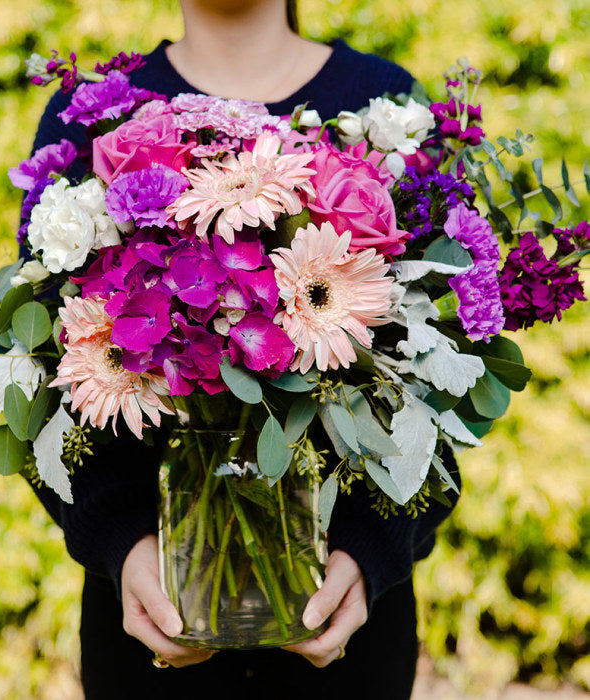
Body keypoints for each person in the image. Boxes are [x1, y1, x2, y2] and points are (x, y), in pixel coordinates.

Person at [23, 1, 460, 697]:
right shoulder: (92, 120)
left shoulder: (387, 107)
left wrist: (369, 554)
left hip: (349, 639)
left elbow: (444, 390)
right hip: (148, 635)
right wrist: (124, 544)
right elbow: (44, 378)